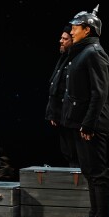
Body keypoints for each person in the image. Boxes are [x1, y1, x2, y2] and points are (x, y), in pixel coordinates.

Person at [64, 5, 109, 217]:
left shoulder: (94, 52)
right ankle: (94, 216)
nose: (71, 31)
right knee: (89, 172)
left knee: (97, 173)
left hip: (91, 125)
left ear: (88, 29)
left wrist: (89, 123)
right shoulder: (82, 52)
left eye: (76, 27)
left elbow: (99, 92)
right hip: (83, 123)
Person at [44, 25, 78, 167]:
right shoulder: (63, 58)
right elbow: (55, 87)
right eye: (61, 38)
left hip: (73, 115)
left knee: (76, 153)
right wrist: (53, 113)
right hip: (63, 115)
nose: (61, 41)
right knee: (68, 151)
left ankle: (81, 185)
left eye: (65, 39)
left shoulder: (77, 59)